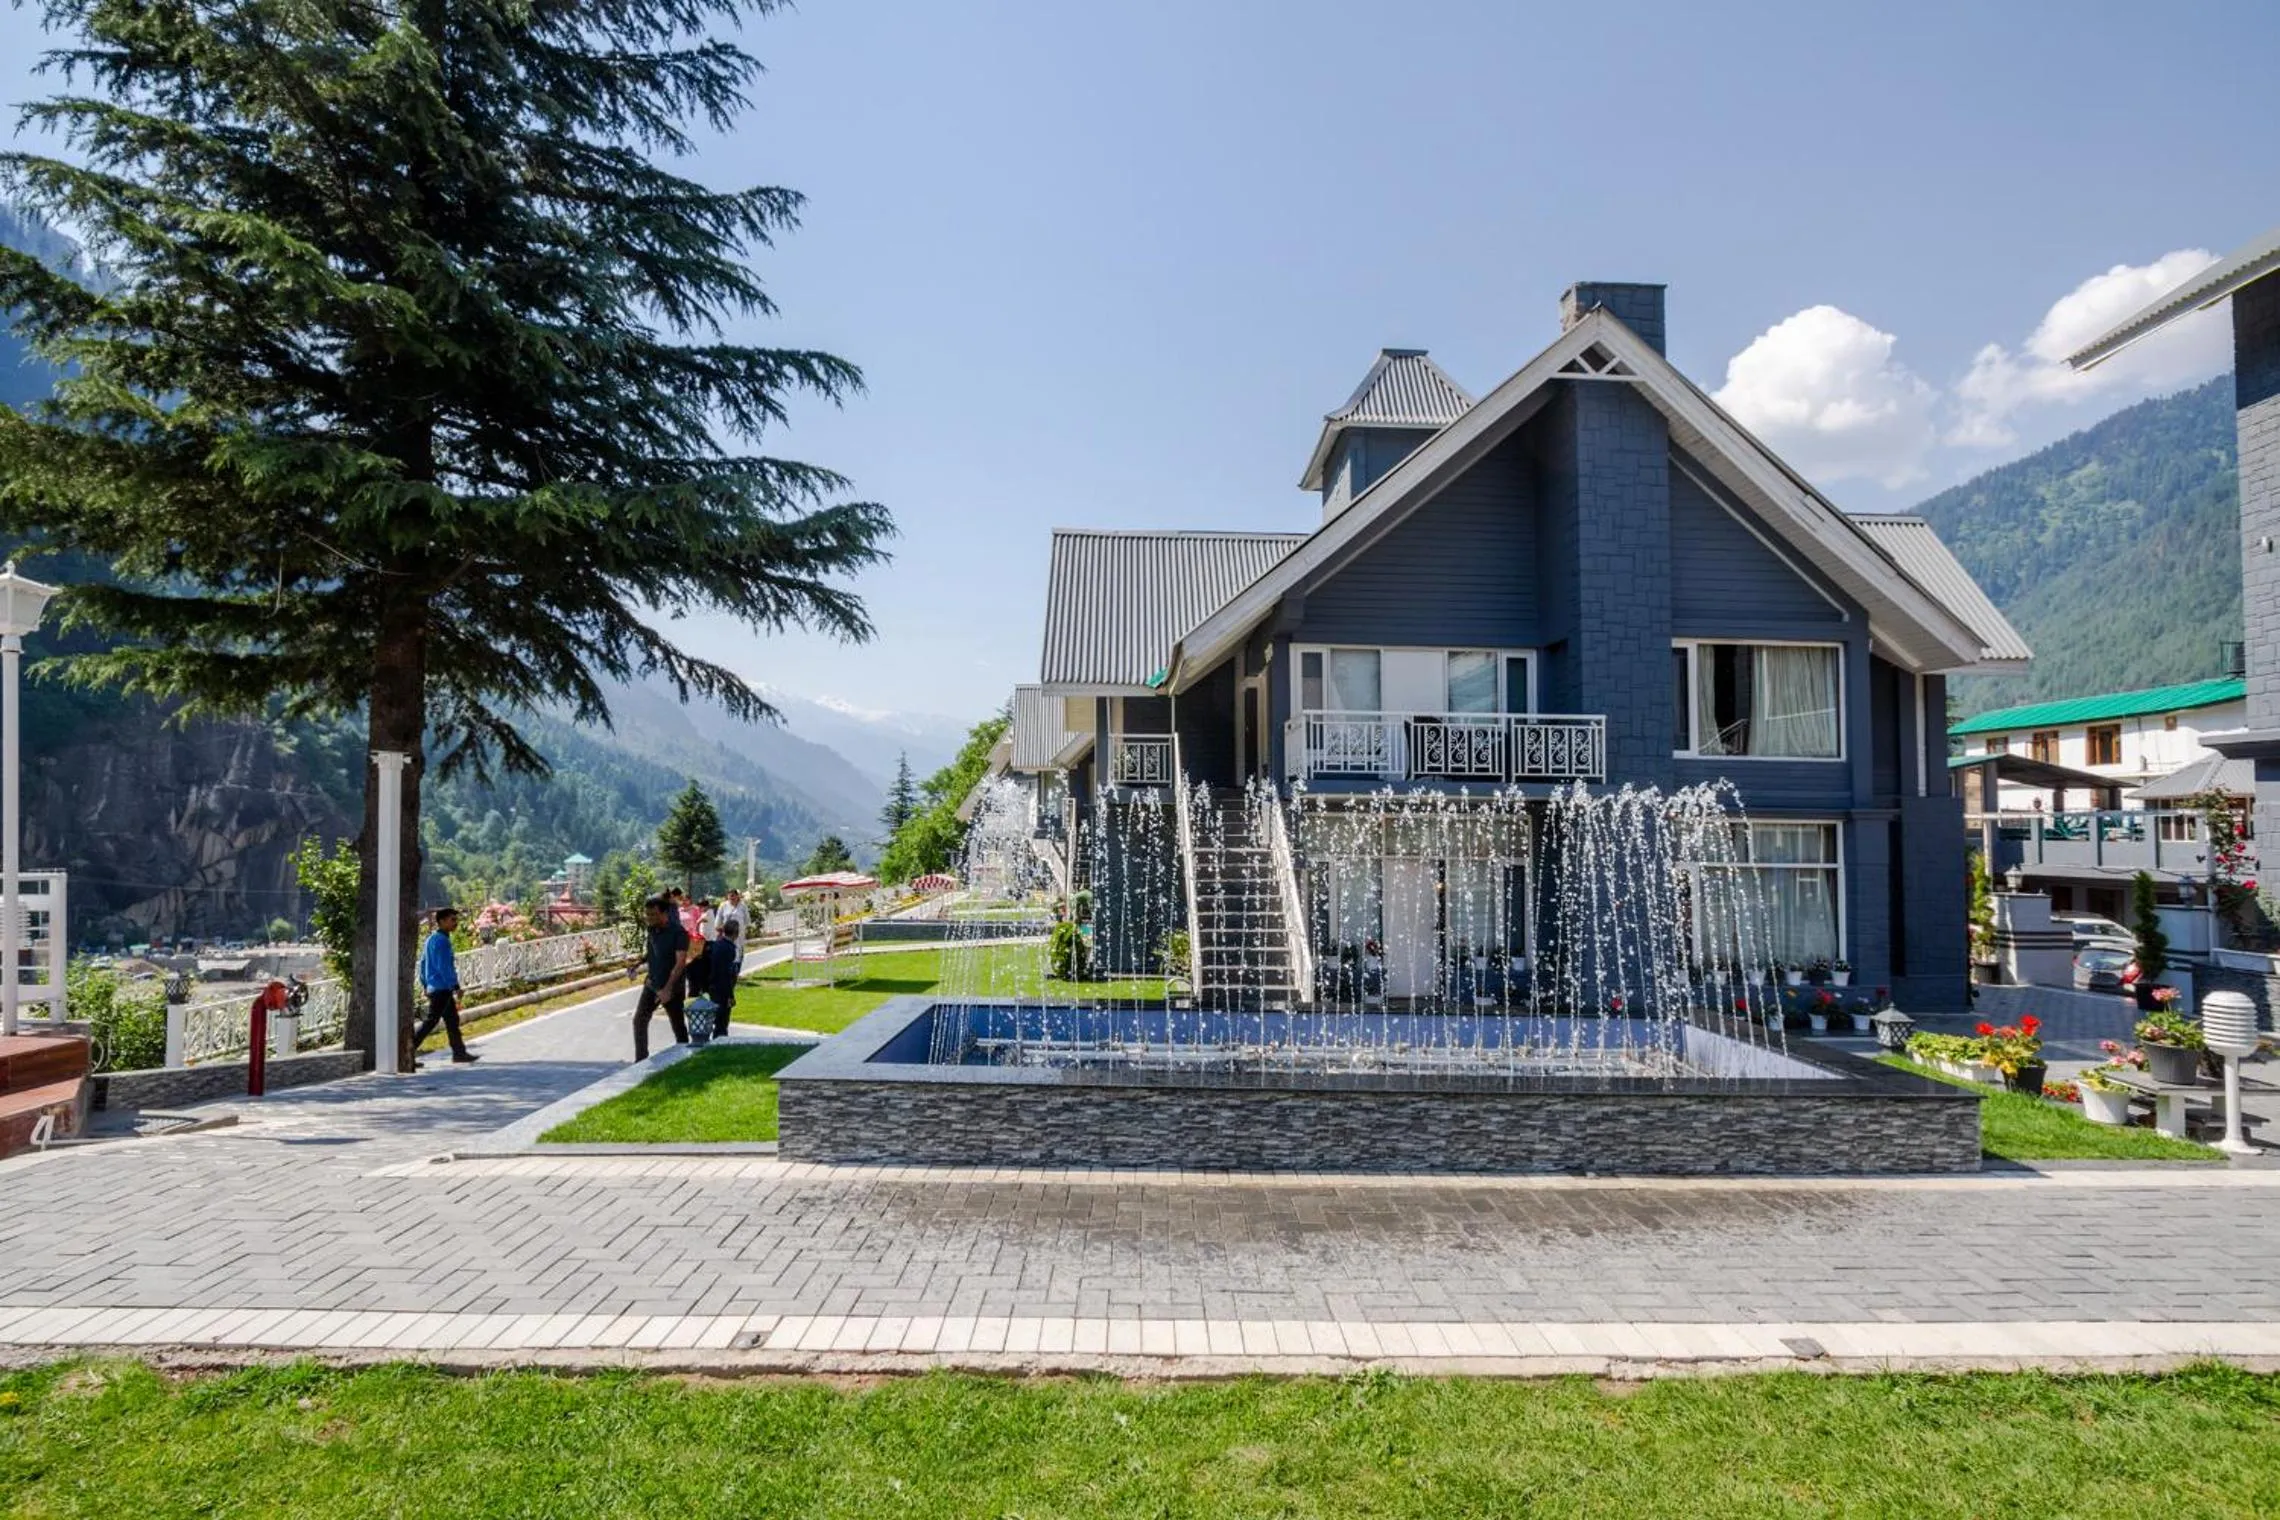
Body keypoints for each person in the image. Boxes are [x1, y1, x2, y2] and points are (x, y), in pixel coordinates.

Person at [413, 906, 478, 1065]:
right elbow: (444, 967)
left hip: (436, 987)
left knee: (451, 1020)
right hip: (442, 988)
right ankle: (407, 1051)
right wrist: (455, 986)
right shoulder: (442, 941)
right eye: (452, 920)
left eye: (456, 919)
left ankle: (459, 1053)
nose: (456, 923)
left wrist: (425, 984)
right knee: (431, 1021)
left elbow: (423, 964)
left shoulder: (431, 939)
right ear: (441, 921)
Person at [633, 895, 691, 1060]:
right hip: (652, 984)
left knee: (677, 1024)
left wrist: (667, 989)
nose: (649, 918)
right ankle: (641, 1060)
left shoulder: (679, 933)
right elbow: (652, 951)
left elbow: (680, 963)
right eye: (648, 914)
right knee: (639, 1020)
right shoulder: (652, 929)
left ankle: (685, 1055)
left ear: (664, 913)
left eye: (653, 914)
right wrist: (637, 963)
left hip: (671, 987)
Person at [705, 918, 742, 1035]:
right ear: (736, 934)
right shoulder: (730, 949)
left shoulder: (716, 945)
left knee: (718, 1019)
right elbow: (727, 974)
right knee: (722, 1021)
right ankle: (720, 1041)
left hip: (712, 986)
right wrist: (730, 995)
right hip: (723, 988)